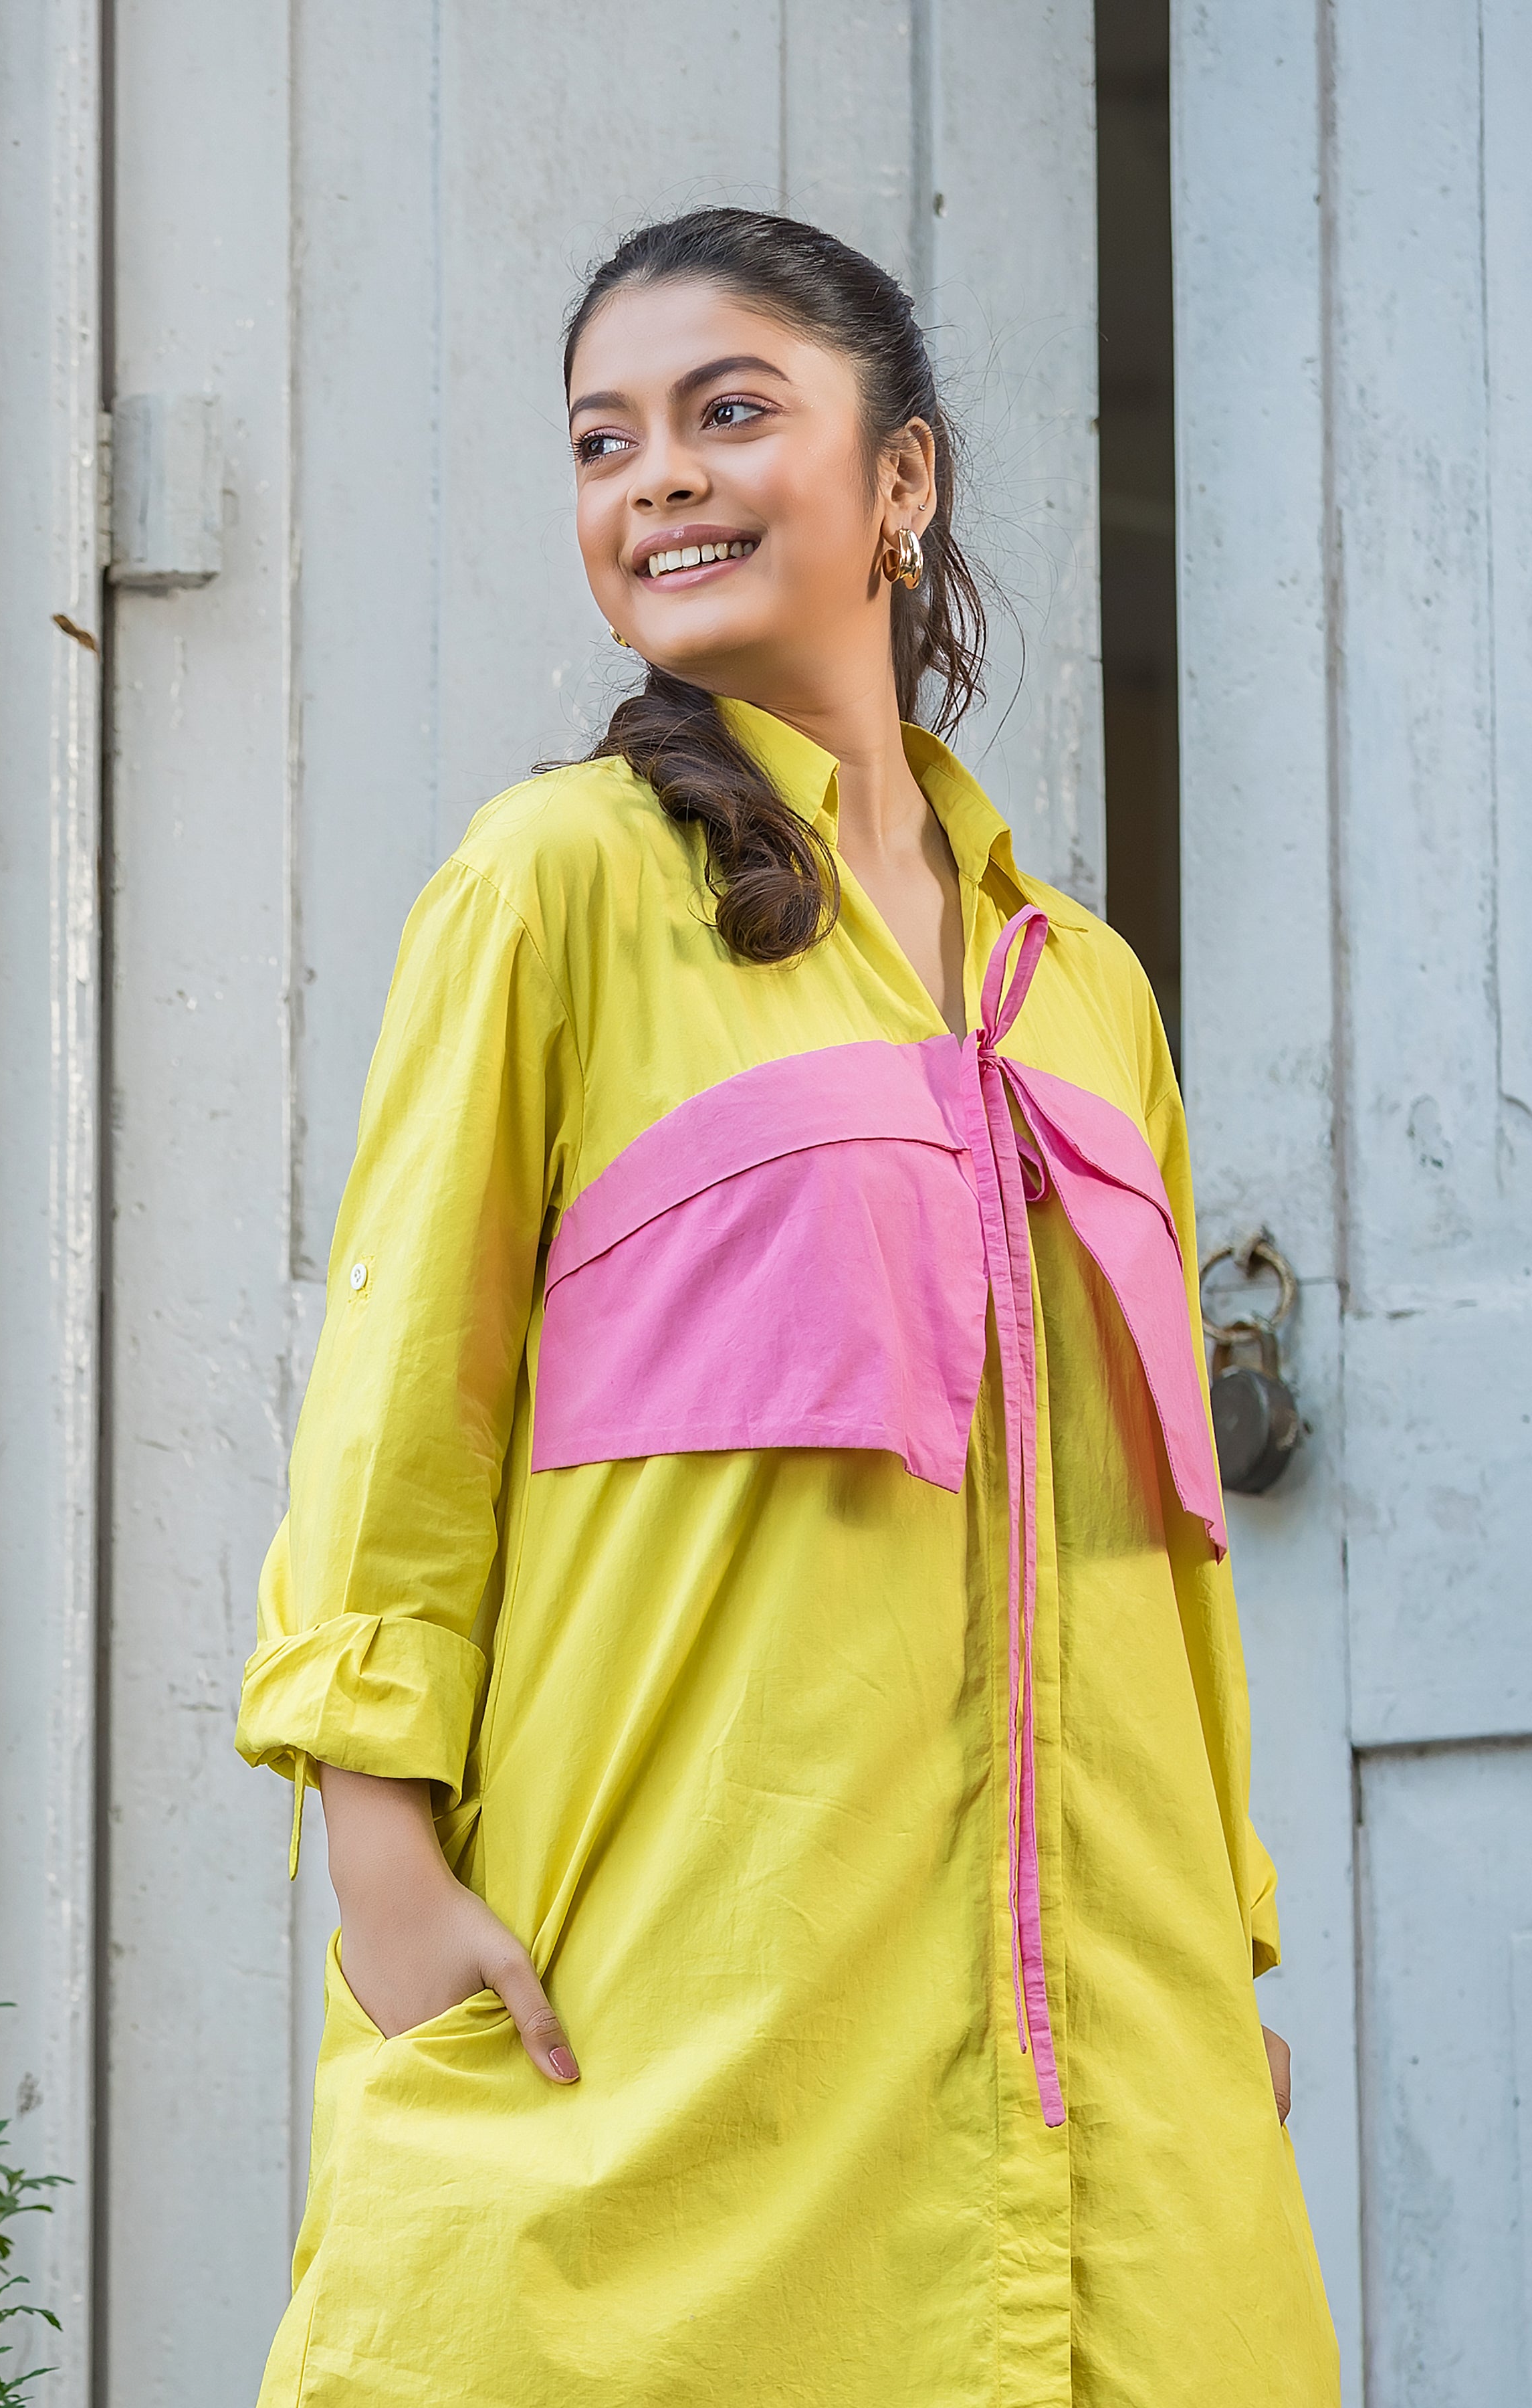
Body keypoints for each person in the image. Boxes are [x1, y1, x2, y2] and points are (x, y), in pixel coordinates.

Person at [233, 207, 1339, 2405]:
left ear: (898, 484)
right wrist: (384, 1858)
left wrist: (1220, 1939)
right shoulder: (556, 885)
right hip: (697, 1970)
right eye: (602, 440)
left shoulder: (1087, 994)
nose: (658, 476)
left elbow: (1164, 1527)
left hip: (1109, 2021)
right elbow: (395, 1405)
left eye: (731, 411)